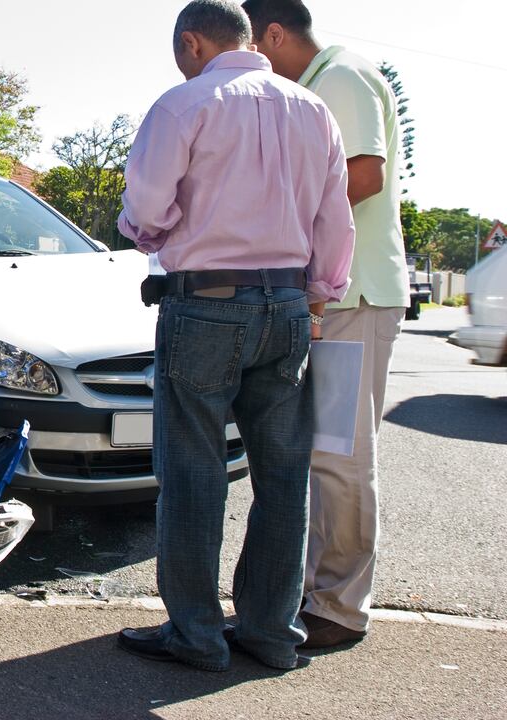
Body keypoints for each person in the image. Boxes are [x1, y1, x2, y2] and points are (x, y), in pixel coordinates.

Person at [114, 0, 355, 672]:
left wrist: (148, 232)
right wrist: (317, 295)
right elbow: (336, 220)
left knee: (193, 474)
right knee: (283, 475)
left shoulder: (185, 104)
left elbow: (147, 210)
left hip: (206, 304)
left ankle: (195, 635)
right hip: (287, 306)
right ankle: (270, 632)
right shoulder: (311, 109)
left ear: (193, 43)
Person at [243, 0, 411, 650]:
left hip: (356, 296)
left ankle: (340, 609)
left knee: (341, 457)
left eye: (252, 50)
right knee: (324, 455)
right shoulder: (315, 87)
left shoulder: (341, 77)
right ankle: (318, 594)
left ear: (275, 35)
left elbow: (364, 175)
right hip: (333, 299)